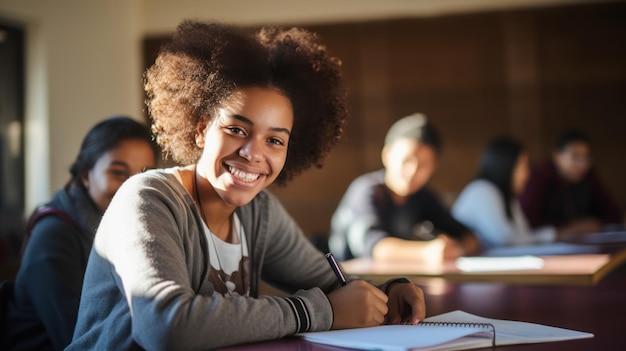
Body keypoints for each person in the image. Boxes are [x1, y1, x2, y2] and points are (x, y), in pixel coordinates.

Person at [67, 21, 425, 351]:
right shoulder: (147, 198)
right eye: (237, 130)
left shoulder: (258, 211)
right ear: (200, 128)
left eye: (275, 140)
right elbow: (165, 326)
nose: (254, 153)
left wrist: (386, 292)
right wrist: (314, 312)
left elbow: (329, 282)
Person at [4, 116, 158, 350]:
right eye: (118, 173)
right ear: (86, 175)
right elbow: (81, 339)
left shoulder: (130, 228)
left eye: (144, 175)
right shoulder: (54, 238)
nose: (133, 187)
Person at [329, 113, 479, 263]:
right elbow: (372, 246)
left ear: (434, 167)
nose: (412, 172)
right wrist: (427, 252)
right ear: (387, 155)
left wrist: (458, 248)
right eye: (406, 160)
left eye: (423, 165)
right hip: (347, 280)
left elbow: (466, 235)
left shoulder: (422, 196)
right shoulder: (366, 190)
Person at [452, 136, 558, 248]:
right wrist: (552, 234)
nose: (527, 174)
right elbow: (505, 239)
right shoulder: (482, 190)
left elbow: (523, 234)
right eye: (522, 165)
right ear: (505, 165)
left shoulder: (507, 196)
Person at [519, 129, 623, 233]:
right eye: (575, 157)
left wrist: (595, 223)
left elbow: (613, 213)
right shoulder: (539, 177)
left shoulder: (589, 175)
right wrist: (570, 228)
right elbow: (527, 223)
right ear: (557, 156)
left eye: (586, 157)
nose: (582, 164)